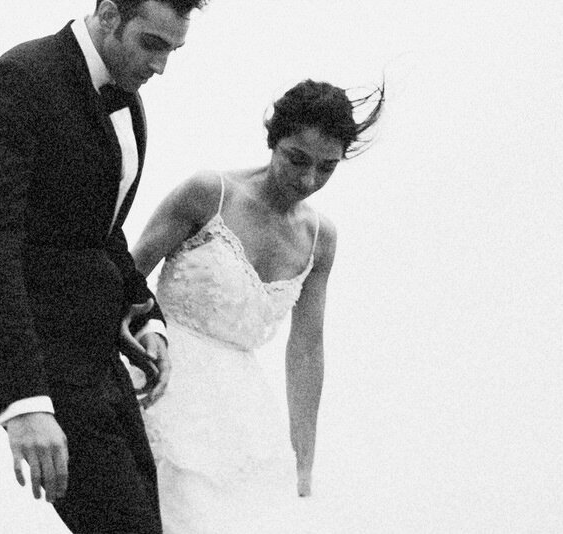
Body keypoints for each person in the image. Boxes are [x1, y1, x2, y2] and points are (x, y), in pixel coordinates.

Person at [0, 0, 210, 533]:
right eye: (152, 43)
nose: (161, 66)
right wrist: (25, 402)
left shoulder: (132, 106)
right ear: (109, 14)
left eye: (173, 50)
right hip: (42, 364)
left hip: (99, 360)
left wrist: (146, 315)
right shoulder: (20, 80)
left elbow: (103, 233)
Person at [128, 79, 382, 528]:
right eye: (297, 159)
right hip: (163, 383)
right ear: (273, 141)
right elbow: (122, 282)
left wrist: (304, 462)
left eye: (327, 167)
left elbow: (306, 351)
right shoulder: (209, 193)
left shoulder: (320, 238)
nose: (308, 180)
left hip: (244, 416)